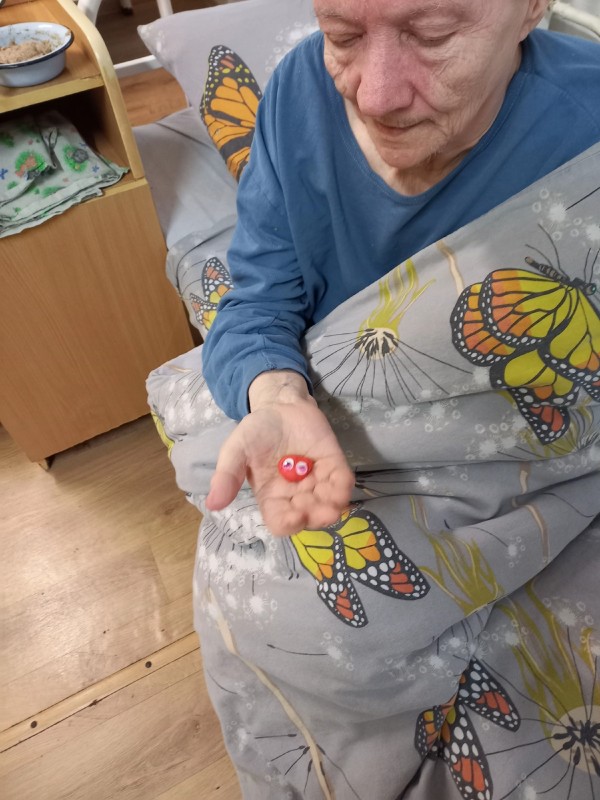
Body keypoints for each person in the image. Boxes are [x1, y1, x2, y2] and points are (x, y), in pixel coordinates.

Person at [176, 1, 600, 797]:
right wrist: (275, 397)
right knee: (275, 610)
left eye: (433, 37)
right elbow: (257, 298)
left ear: (531, 10)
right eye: (341, 36)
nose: (375, 95)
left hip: (555, 457)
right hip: (355, 439)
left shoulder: (587, 126)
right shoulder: (297, 96)